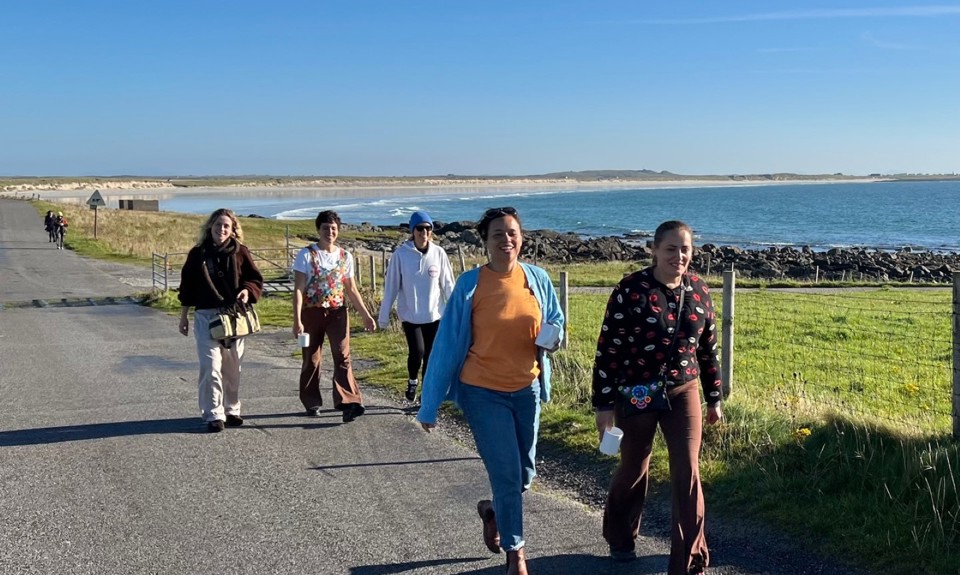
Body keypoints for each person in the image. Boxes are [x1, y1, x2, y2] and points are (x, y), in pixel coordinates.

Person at [417, 206, 564, 575]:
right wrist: (429, 404)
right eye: (498, 234)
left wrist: (553, 338)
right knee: (507, 474)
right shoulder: (471, 284)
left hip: (527, 388)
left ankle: (494, 511)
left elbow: (556, 321)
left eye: (512, 233)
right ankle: (516, 553)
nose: (507, 240)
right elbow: (447, 345)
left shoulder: (538, 279)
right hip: (482, 391)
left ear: (522, 239)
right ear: (485, 241)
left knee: (525, 473)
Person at [591, 220, 723, 575]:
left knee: (688, 469)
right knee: (634, 467)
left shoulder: (699, 290)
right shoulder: (630, 290)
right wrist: (603, 406)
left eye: (685, 249)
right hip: (635, 392)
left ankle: (689, 559)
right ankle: (620, 537)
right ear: (653, 249)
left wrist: (714, 398)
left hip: (684, 390)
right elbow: (608, 351)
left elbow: (708, 349)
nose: (679, 256)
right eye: (671, 249)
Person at [177, 208, 264, 433]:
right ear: (210, 227)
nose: (221, 230)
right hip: (206, 316)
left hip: (234, 317)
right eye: (218, 225)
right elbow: (187, 287)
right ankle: (213, 413)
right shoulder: (197, 254)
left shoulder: (241, 252)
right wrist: (184, 316)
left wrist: (247, 291)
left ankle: (231, 409)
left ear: (233, 229)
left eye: (226, 226)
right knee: (211, 366)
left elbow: (254, 278)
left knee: (233, 368)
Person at [292, 210, 376, 423]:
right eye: (325, 228)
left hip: (338, 313)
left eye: (333, 228)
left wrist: (366, 315)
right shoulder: (306, 255)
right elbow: (299, 289)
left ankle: (349, 402)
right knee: (311, 357)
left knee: (342, 355)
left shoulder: (344, 256)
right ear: (318, 230)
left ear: (338, 231)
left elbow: (352, 289)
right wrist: (297, 320)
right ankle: (311, 402)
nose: (329, 232)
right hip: (311, 312)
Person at [377, 210, 455, 401]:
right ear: (413, 231)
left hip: (434, 315)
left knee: (431, 356)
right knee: (417, 352)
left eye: (428, 228)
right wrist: (383, 317)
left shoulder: (439, 253)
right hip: (410, 316)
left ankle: (425, 393)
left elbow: (448, 284)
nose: (424, 233)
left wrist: (455, 313)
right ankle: (413, 381)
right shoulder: (401, 255)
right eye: (420, 229)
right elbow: (391, 287)